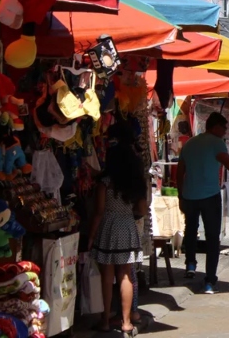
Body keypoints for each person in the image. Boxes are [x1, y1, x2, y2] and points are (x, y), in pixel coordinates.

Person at [178, 112, 229, 294]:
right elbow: (228, 163)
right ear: (215, 127)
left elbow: (179, 171)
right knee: (213, 238)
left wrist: (180, 195)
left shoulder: (189, 143)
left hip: (190, 195)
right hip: (209, 196)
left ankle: (190, 263)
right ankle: (209, 280)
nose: (225, 131)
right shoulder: (216, 142)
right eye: (224, 128)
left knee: (190, 229)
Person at [89, 123, 148, 336]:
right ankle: (126, 323)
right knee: (125, 275)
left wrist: (91, 236)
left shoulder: (105, 183)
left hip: (108, 227)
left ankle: (105, 320)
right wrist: (129, 216)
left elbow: (99, 212)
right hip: (127, 226)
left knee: (107, 275)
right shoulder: (135, 182)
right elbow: (141, 208)